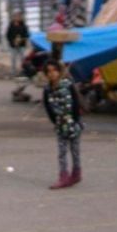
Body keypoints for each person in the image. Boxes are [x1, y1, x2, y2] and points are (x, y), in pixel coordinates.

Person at [42, 59, 84, 190]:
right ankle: (63, 176)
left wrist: (75, 121)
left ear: (59, 72)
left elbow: (76, 103)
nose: (52, 74)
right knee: (62, 152)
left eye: (54, 71)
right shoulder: (47, 89)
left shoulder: (67, 84)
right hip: (60, 124)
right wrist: (56, 121)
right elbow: (48, 107)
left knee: (75, 150)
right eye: (49, 72)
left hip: (73, 122)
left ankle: (76, 174)